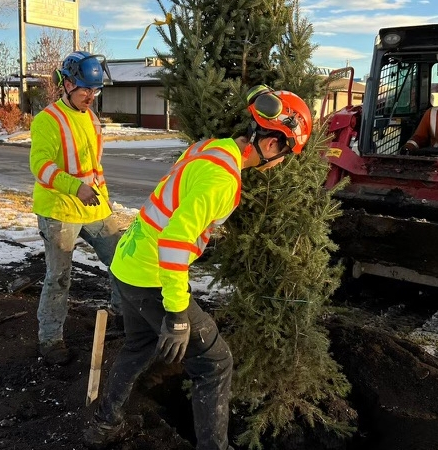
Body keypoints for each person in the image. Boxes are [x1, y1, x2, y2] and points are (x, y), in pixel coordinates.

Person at [82, 85, 313, 450]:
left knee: (138, 345)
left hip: (127, 261)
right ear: (272, 146)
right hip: (151, 276)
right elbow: (174, 243)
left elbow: (180, 210)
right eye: (288, 154)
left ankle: (103, 422)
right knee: (215, 364)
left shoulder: (210, 148)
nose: (283, 163)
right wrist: (176, 314)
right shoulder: (223, 179)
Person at [29, 51, 122, 366]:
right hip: (59, 210)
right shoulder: (48, 120)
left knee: (122, 260)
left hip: (93, 206)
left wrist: (103, 198)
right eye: (85, 89)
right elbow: (40, 166)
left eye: (94, 91)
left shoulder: (92, 118)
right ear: (66, 84)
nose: (90, 96)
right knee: (59, 277)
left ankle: (122, 316)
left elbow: (94, 167)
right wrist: (75, 188)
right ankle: (51, 340)